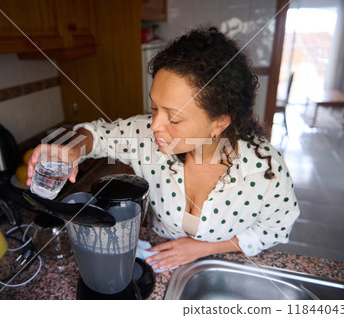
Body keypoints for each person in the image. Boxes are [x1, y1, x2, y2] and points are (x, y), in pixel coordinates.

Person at [26, 25, 300, 271]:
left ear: (220, 122)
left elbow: (275, 229)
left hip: (227, 264)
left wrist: (205, 249)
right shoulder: (147, 137)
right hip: (160, 257)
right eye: (154, 107)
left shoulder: (265, 170)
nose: (155, 125)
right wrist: (71, 149)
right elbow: (95, 135)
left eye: (174, 117)